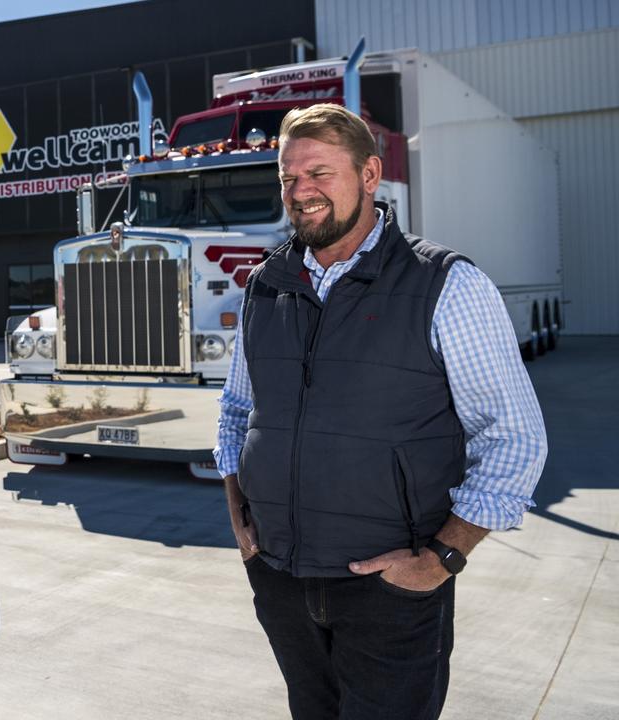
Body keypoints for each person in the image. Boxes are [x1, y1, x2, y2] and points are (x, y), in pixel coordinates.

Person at [214, 104, 547, 720]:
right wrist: (240, 520)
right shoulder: (266, 285)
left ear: (370, 175)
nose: (301, 191)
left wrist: (443, 557)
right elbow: (237, 412)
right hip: (282, 581)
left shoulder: (444, 283)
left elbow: (514, 438)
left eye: (320, 173)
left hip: (389, 589)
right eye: (289, 178)